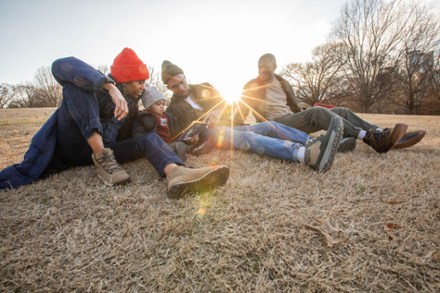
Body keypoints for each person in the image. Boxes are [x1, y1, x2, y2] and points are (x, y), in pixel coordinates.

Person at [0, 48, 229, 199]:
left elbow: (147, 128)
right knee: (75, 85)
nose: (142, 86)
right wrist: (108, 86)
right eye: (139, 80)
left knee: (148, 139)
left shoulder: (132, 106)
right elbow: (61, 64)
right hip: (68, 146)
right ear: (125, 78)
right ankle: (101, 154)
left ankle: (175, 173)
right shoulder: (99, 87)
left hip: (102, 151)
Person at [160, 62, 345, 173]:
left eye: (181, 81)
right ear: (169, 89)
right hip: (210, 135)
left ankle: (314, 143)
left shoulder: (204, 86)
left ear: (185, 75)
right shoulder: (171, 109)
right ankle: (304, 155)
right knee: (247, 137)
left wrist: (217, 111)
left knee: (269, 125)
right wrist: (191, 139)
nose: (181, 87)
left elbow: (227, 105)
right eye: (175, 86)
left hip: (229, 126)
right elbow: (180, 135)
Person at [234, 53, 426, 153]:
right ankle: (370, 138)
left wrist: (307, 111)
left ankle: (380, 132)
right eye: (260, 67)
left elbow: (294, 107)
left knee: (341, 110)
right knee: (317, 113)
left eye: (267, 66)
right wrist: (230, 127)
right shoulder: (251, 85)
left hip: (293, 119)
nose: (262, 70)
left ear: (274, 67)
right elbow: (239, 112)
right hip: (277, 126)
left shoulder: (283, 82)